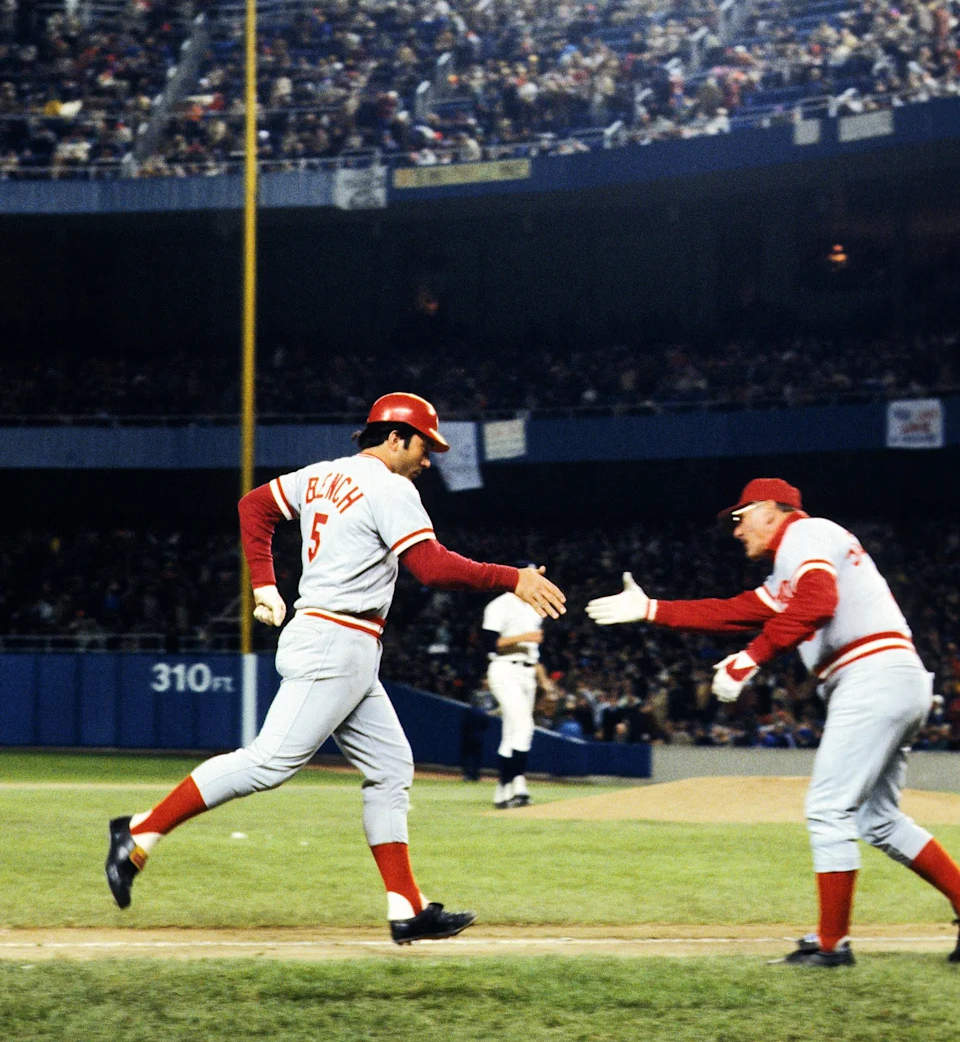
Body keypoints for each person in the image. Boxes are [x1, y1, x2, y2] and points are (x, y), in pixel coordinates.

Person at [105, 392, 566, 944]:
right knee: (268, 763)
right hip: (335, 639)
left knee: (392, 767)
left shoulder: (324, 474)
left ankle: (406, 907)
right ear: (395, 437)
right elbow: (433, 568)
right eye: (425, 445)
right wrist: (512, 576)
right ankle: (138, 833)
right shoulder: (391, 487)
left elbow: (254, 505)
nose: (429, 459)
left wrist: (265, 584)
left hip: (342, 642)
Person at [587, 476, 960, 968]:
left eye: (740, 518)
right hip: (891, 676)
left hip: (873, 675)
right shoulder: (796, 558)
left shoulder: (806, 534)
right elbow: (736, 611)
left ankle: (832, 946)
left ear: (771, 510)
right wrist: (654, 610)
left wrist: (750, 659)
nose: (736, 531)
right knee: (879, 819)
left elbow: (818, 603)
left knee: (829, 809)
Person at [482, 571, 547, 807]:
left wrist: (546, 682)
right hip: (504, 669)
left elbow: (534, 653)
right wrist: (524, 636)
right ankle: (514, 785)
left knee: (512, 733)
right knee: (524, 726)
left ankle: (505, 791)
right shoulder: (498, 605)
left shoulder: (532, 607)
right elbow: (489, 645)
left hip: (527, 672)